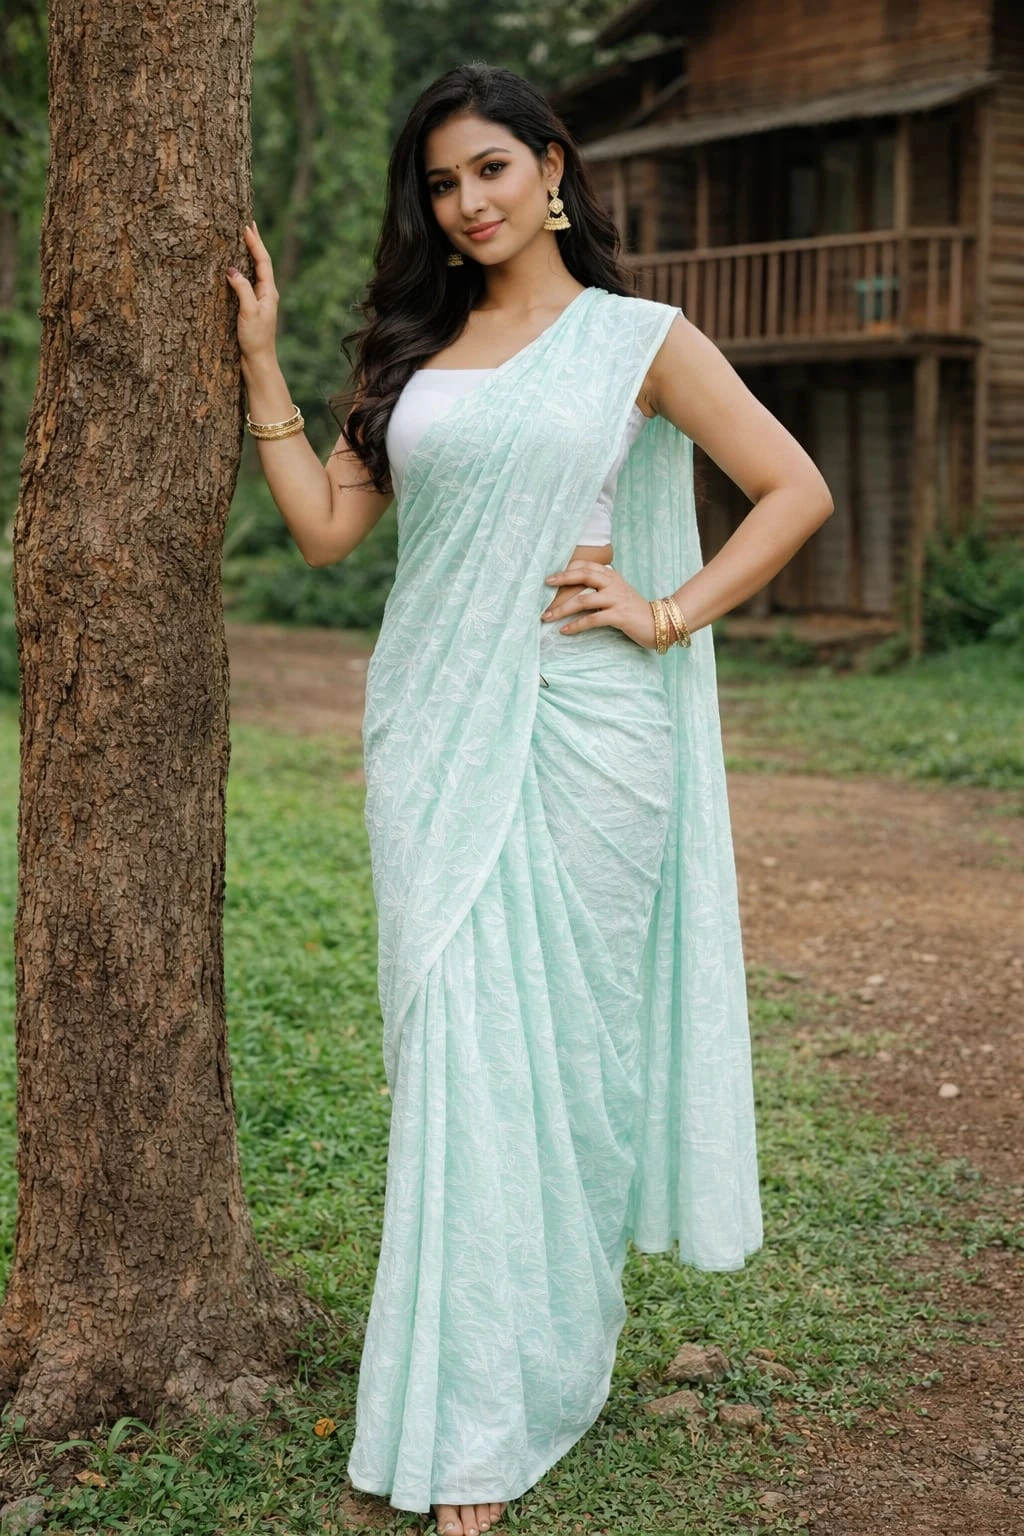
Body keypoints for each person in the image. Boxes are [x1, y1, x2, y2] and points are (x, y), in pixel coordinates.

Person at [227, 60, 833, 1536]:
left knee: (563, 1066)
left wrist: (667, 610)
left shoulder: (639, 339)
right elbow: (325, 532)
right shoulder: (414, 354)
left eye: (490, 168)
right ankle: (471, 1399)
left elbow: (795, 489)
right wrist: (262, 367)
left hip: (588, 735)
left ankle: (520, 1388)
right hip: (434, 732)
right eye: (442, 183)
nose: (467, 202)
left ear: (552, 167)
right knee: (460, 1057)